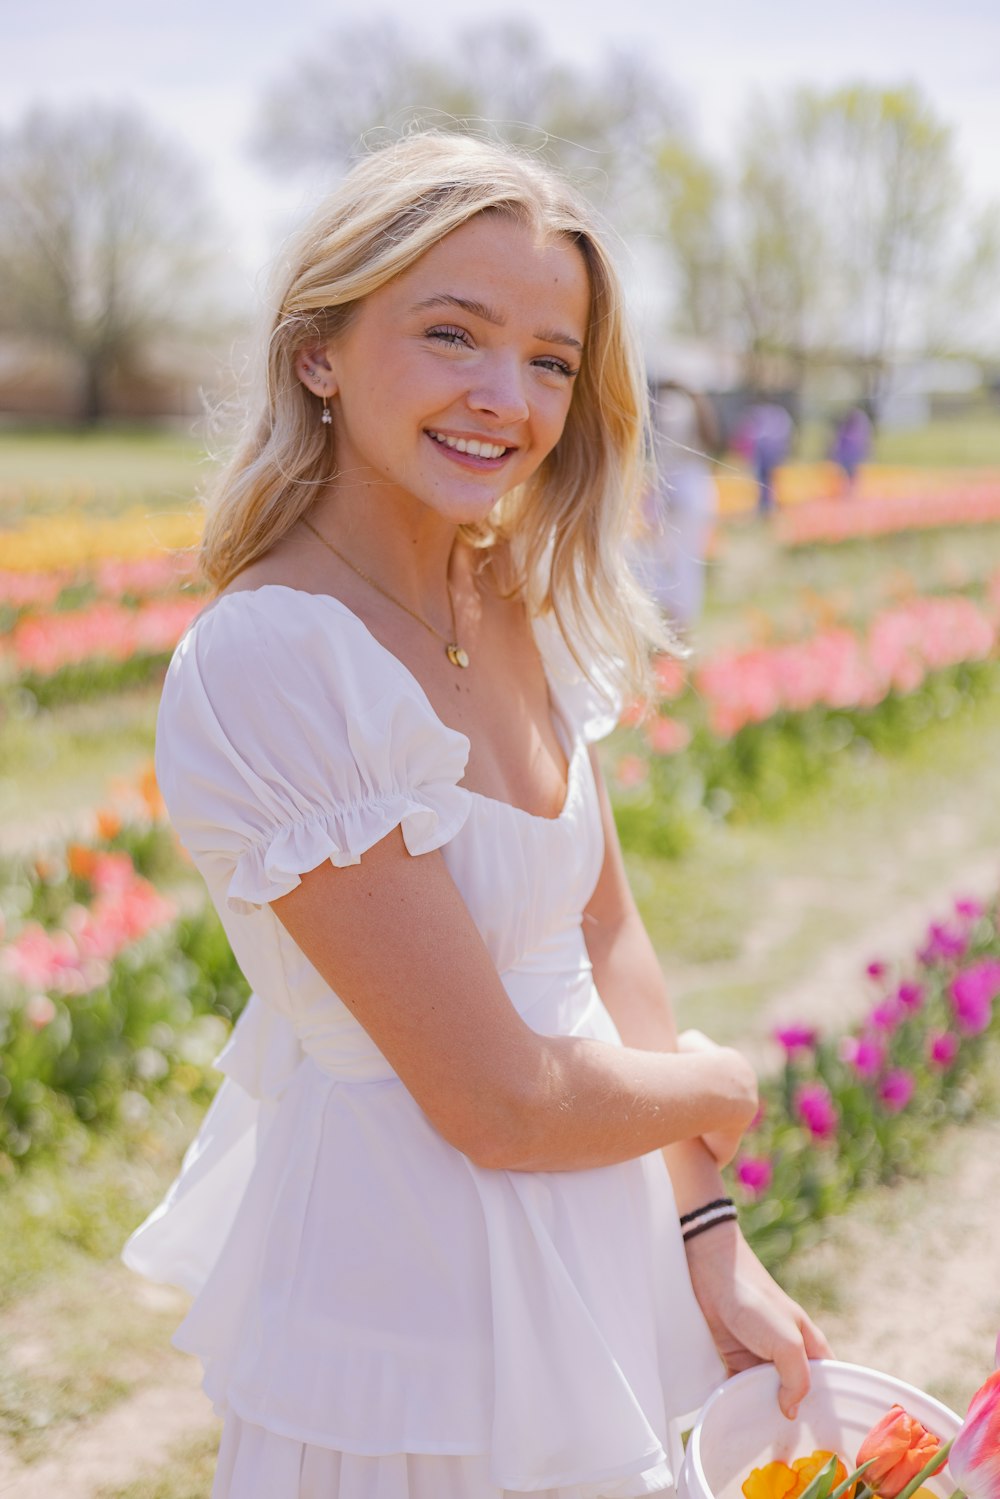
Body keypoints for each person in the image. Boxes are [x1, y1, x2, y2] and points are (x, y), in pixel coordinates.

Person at [123, 133, 829, 1499]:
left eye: (553, 359)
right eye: (454, 334)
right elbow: (495, 1099)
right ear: (319, 349)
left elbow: (603, 922)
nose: (507, 398)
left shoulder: (511, 593)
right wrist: (723, 1085)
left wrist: (708, 1226)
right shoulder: (275, 659)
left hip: (606, 1219)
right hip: (418, 1296)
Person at [639, 379, 720, 630]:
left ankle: (675, 624)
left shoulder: (672, 405)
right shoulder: (693, 407)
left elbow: (665, 450)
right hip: (696, 489)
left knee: (669, 563)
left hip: (678, 494)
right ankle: (680, 623)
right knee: (687, 563)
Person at [829, 405, 872, 497]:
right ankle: (847, 491)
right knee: (848, 475)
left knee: (850, 475)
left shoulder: (853, 430)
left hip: (849, 457)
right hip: (847, 457)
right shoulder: (848, 430)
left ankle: (848, 492)